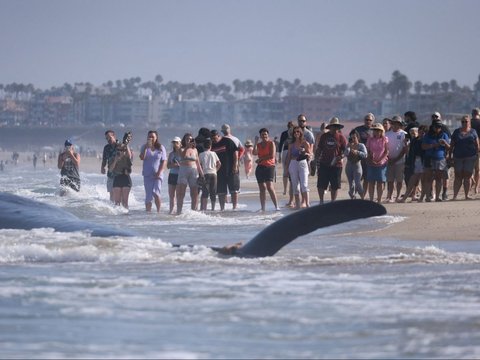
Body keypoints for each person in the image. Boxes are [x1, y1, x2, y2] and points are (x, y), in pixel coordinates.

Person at [315, 117, 348, 204]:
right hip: (324, 163)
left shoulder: (341, 137)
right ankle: (321, 201)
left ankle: (333, 202)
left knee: (335, 185)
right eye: (333, 126)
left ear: (338, 128)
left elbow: (346, 150)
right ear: (330, 127)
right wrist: (315, 159)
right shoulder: (324, 136)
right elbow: (319, 149)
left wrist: (341, 156)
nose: (334, 128)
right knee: (321, 184)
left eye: (336, 126)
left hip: (336, 165)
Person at [449, 115, 479, 200]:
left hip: (470, 156)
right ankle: (454, 196)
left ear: (469, 122)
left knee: (468, 175)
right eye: (463, 122)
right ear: (461, 123)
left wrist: (477, 154)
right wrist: (449, 155)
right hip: (458, 156)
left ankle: (466, 195)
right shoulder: (456, 132)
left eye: (466, 121)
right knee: (458, 175)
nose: (465, 123)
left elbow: (477, 144)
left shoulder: (473, 131)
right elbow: (452, 145)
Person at [421, 119, 450, 202]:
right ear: (432, 127)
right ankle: (427, 196)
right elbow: (423, 146)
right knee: (428, 178)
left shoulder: (444, 135)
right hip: (429, 158)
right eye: (436, 126)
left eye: (439, 127)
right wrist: (434, 145)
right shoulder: (427, 135)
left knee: (438, 178)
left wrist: (445, 143)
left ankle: (437, 197)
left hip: (440, 159)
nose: (438, 128)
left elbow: (449, 147)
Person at [211, 129, 239, 211]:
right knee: (221, 191)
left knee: (234, 190)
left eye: (214, 138)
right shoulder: (212, 145)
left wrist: (235, 165)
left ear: (218, 135)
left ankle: (234, 207)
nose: (213, 140)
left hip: (231, 169)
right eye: (212, 138)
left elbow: (235, 153)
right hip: (219, 171)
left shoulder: (227, 141)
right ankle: (222, 208)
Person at [176, 133, 204, 214]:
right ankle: (179, 211)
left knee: (195, 193)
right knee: (181, 193)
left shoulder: (195, 150)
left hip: (193, 170)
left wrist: (202, 174)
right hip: (183, 170)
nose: (189, 140)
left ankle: (194, 211)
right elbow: (182, 156)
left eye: (190, 139)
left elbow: (198, 163)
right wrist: (187, 147)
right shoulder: (181, 149)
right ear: (184, 140)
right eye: (187, 139)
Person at [252, 128, 280, 211]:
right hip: (260, 167)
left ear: (268, 135)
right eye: (262, 134)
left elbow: (272, 155)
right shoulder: (259, 145)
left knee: (270, 187)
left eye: (265, 134)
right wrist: (256, 142)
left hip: (269, 166)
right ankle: (263, 208)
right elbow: (254, 153)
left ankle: (276, 206)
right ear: (260, 136)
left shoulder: (271, 143)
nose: (264, 136)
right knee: (262, 188)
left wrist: (261, 159)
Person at [398, 126, 427, 202]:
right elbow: (409, 153)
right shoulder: (414, 140)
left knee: (423, 180)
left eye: (423, 132)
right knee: (413, 180)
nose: (421, 133)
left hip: (424, 161)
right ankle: (405, 198)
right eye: (420, 131)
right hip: (416, 161)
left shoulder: (426, 140)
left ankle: (421, 198)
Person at [139, 130, 167, 212]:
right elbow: (142, 158)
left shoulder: (161, 148)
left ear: (156, 138)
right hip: (147, 174)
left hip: (158, 174)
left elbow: (164, 161)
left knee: (156, 192)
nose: (151, 138)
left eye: (152, 137)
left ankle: (158, 211)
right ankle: (148, 213)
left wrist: (159, 172)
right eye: (149, 136)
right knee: (148, 196)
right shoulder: (144, 147)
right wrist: (146, 148)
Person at [285, 126, 311, 209]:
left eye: (298, 132)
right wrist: (286, 169)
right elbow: (288, 156)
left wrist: (304, 152)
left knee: (304, 185)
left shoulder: (305, 143)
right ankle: (297, 205)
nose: (296, 133)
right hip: (293, 163)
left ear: (301, 133)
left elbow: (310, 154)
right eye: (295, 132)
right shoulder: (291, 145)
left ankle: (307, 204)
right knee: (295, 185)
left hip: (302, 163)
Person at [385, 115, 407, 203]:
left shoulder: (404, 134)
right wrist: (388, 158)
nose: (395, 125)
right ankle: (390, 196)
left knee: (399, 180)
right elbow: (384, 148)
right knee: (390, 180)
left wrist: (396, 159)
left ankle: (398, 195)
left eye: (397, 123)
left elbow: (405, 149)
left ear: (400, 124)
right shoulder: (387, 134)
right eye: (393, 123)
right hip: (388, 160)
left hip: (400, 161)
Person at [366, 123, 389, 203]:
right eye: (374, 130)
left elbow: (386, 151)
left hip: (382, 164)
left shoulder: (384, 139)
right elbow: (367, 150)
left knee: (380, 182)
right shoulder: (370, 139)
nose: (375, 132)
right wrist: (370, 159)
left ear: (381, 131)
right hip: (371, 163)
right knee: (371, 182)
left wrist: (381, 160)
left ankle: (379, 199)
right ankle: (371, 200)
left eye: (377, 130)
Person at [354, 112, 375, 196]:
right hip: (358, 157)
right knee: (357, 178)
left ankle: (363, 195)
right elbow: (352, 140)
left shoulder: (374, 130)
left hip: (369, 158)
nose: (368, 121)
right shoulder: (358, 129)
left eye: (370, 120)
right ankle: (354, 194)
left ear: (373, 121)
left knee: (366, 178)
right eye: (366, 119)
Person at [109, 141, 133, 209]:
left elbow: (130, 155)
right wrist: (115, 160)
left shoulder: (127, 158)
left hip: (126, 179)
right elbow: (110, 170)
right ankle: (118, 218)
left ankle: (125, 217)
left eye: (122, 150)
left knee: (125, 202)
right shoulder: (113, 158)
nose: (121, 151)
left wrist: (126, 144)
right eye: (119, 150)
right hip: (117, 178)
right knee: (117, 202)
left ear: (125, 150)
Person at [199, 139, 221, 211]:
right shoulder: (214, 153)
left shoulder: (201, 154)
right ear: (210, 146)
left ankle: (204, 209)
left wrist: (200, 173)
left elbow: (199, 165)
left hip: (205, 174)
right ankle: (213, 208)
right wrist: (216, 170)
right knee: (213, 192)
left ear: (203, 146)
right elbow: (219, 164)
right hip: (214, 174)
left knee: (205, 192)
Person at [344, 130, 367, 199]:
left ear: (358, 137)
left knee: (358, 183)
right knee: (351, 184)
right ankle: (352, 197)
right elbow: (345, 154)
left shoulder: (361, 145)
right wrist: (349, 147)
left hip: (357, 165)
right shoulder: (348, 145)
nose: (353, 139)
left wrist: (357, 152)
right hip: (349, 165)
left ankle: (362, 198)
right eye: (351, 138)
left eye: (354, 138)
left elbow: (365, 155)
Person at [277, 121, 295, 195]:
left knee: (285, 171)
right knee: (292, 171)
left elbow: (281, 144)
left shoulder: (284, 133)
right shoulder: (295, 133)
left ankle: (285, 190)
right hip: (293, 152)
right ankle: (292, 188)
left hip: (285, 151)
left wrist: (279, 156)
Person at [167, 136, 182, 214]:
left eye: (176, 142)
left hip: (180, 175)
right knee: (171, 195)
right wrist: (173, 165)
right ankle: (171, 210)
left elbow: (186, 164)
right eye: (174, 143)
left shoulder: (183, 153)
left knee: (179, 195)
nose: (175, 144)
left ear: (180, 144)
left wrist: (180, 165)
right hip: (172, 174)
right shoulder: (171, 154)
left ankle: (178, 211)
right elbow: (168, 166)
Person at [101, 130, 117, 201]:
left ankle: (121, 209)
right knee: (111, 193)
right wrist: (102, 167)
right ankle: (113, 210)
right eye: (106, 138)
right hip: (110, 173)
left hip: (120, 174)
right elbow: (104, 159)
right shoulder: (106, 148)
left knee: (118, 193)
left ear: (114, 136)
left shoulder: (120, 145)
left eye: (109, 137)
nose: (108, 140)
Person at [471, 108, 480, 193]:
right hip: (478, 148)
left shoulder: (468, 122)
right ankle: (476, 187)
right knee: (477, 169)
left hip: (469, 148)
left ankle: (473, 181)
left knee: (469, 168)